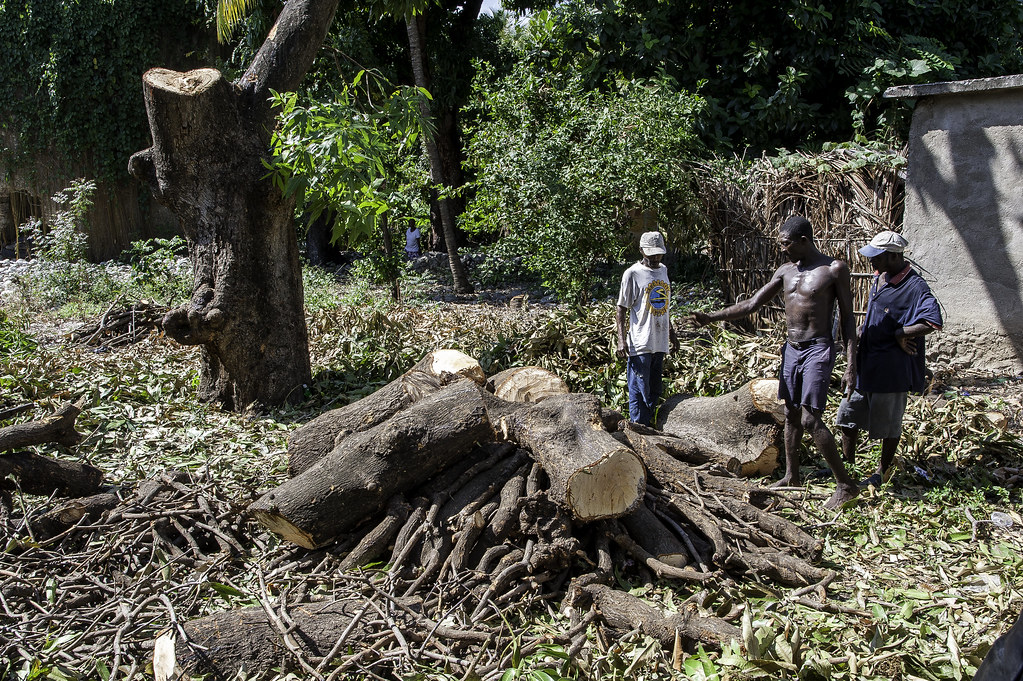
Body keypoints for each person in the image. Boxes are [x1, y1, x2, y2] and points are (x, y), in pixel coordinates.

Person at [693, 216, 859, 509]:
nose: (782, 249)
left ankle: (846, 485)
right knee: (791, 413)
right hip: (792, 349)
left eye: (786, 244)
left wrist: (850, 365)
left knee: (810, 418)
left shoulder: (833, 270)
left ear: (803, 241)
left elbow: (848, 319)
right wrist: (712, 317)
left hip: (817, 349)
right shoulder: (785, 271)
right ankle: (792, 476)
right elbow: (752, 304)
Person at [836, 230, 942, 487]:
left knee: (889, 424)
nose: (872, 260)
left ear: (894, 256)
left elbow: (933, 320)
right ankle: (846, 466)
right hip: (866, 363)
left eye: (877, 256)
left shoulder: (914, 286)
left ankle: (882, 473)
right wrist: (863, 330)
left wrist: (901, 333)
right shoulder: (880, 277)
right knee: (848, 415)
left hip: (891, 368)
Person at [615, 231, 679, 426]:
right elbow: (621, 308)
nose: (655, 258)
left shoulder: (663, 271)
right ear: (641, 251)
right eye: (651, 254)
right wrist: (621, 340)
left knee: (654, 390)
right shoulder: (632, 273)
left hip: (659, 341)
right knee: (639, 389)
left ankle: (648, 427)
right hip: (640, 341)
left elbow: (665, 305)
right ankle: (638, 428)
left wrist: (672, 335)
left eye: (658, 254)